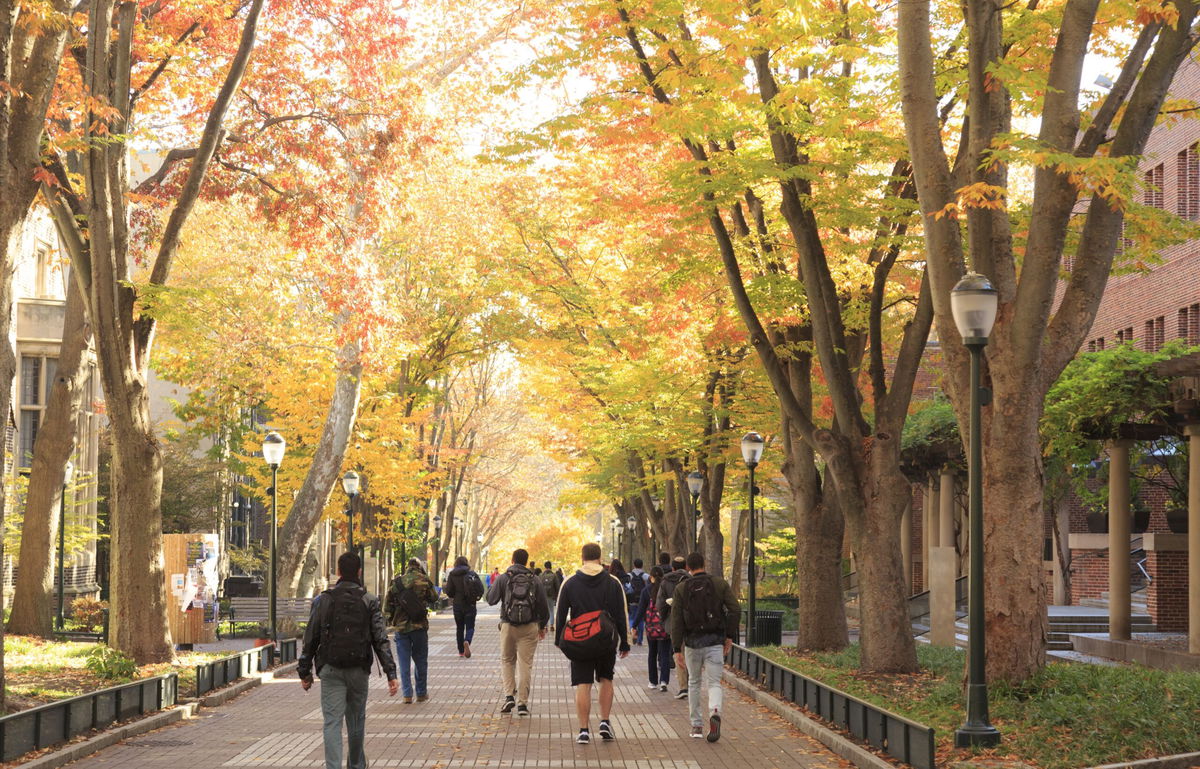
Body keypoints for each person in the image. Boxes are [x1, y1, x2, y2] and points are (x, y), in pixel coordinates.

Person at [298, 552, 398, 769]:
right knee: (356, 721)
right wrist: (391, 673)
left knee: (332, 722)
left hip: (331, 668)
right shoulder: (369, 600)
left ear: (339, 571)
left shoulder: (323, 600)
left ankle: (333, 766)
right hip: (359, 669)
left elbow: (311, 637)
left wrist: (304, 671)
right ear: (359, 572)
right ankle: (356, 765)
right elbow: (380, 638)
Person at [555, 542, 631, 745]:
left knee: (583, 683)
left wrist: (559, 641)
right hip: (606, 638)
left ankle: (583, 730)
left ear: (582, 557)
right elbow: (621, 614)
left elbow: (560, 613)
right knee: (606, 678)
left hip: (580, 640)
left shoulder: (570, 582)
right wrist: (624, 641)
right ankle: (605, 722)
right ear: (600, 558)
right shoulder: (612, 582)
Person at [669, 552, 739, 743]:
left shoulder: (682, 588)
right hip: (715, 641)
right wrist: (729, 636)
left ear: (688, 568)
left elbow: (676, 621)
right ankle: (715, 711)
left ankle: (697, 725)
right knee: (715, 682)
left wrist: (677, 648)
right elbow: (735, 609)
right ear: (704, 564)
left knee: (694, 682)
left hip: (692, 643)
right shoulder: (719, 584)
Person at [486, 548, 550, 716]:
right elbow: (543, 606)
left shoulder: (504, 577)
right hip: (529, 627)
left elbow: (491, 599)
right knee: (525, 664)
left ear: (512, 560)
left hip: (508, 625)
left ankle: (509, 696)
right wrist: (542, 626)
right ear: (527, 562)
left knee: (507, 660)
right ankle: (522, 704)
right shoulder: (534, 579)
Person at [385, 557, 437, 703]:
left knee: (403, 661)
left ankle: (407, 694)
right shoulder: (424, 580)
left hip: (401, 628)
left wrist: (391, 620)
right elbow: (435, 597)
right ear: (419, 567)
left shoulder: (397, 582)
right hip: (420, 626)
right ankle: (421, 693)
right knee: (421, 660)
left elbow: (387, 606)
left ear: (407, 567)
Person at [631, 565, 672, 691]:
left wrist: (634, 625)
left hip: (651, 628)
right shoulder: (666, 590)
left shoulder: (646, 591)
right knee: (665, 654)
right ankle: (664, 681)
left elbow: (641, 610)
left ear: (651, 576)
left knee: (652, 654)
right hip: (665, 626)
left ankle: (652, 681)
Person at [656, 556, 690, 699]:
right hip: (690, 621)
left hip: (673, 621)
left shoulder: (665, 581)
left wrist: (664, 619)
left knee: (678, 652)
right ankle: (691, 683)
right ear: (686, 567)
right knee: (689, 652)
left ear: (673, 567)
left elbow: (660, 603)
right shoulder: (691, 579)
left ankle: (683, 686)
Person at [444, 555, 484, 658]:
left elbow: (448, 591)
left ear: (456, 563)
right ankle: (467, 641)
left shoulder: (452, 575)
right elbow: (481, 588)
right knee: (470, 626)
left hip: (457, 605)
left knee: (459, 628)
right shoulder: (472, 574)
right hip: (470, 604)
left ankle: (461, 651)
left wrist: (455, 595)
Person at [627, 558, 647, 644]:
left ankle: (632, 634)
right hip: (642, 601)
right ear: (642, 565)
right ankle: (640, 640)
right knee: (641, 620)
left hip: (632, 600)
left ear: (634, 565)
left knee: (631, 618)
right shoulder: (645, 576)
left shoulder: (629, 575)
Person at [539, 560, 561, 631]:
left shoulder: (541, 575)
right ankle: (551, 625)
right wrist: (557, 595)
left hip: (543, 596)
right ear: (550, 567)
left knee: (545, 611)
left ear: (545, 567)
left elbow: (539, 586)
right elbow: (557, 586)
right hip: (551, 596)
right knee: (551, 610)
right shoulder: (554, 575)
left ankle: (545, 626)